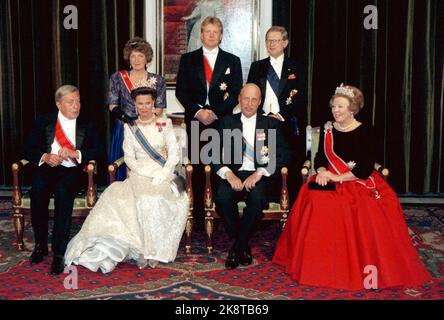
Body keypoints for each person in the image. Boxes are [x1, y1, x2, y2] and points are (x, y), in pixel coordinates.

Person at [272, 84, 432, 290]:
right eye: (334, 107)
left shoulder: (366, 130)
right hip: (327, 178)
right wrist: (321, 171)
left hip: (356, 182)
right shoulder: (328, 128)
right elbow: (320, 156)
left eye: (340, 107)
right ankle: (317, 263)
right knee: (312, 197)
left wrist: (336, 177)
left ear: (352, 109)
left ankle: (354, 266)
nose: (335, 111)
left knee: (353, 206)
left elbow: (365, 168)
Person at [65, 86, 189, 273]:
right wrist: (144, 172)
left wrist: (162, 174)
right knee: (129, 198)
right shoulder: (129, 127)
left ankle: (153, 251)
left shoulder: (165, 124)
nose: (145, 107)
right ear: (135, 105)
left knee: (153, 200)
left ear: (153, 103)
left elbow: (174, 154)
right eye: (140, 104)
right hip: (139, 174)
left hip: (164, 174)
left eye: (148, 103)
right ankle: (141, 249)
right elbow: (129, 158)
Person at [213, 84, 291, 270]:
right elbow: (213, 154)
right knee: (222, 199)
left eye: (254, 99)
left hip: (259, 175)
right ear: (239, 99)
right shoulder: (225, 122)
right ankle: (243, 246)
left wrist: (260, 173)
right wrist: (228, 174)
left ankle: (237, 248)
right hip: (233, 173)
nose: (249, 103)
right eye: (245, 99)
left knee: (257, 200)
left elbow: (284, 155)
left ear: (260, 102)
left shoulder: (271, 124)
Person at [25, 85, 100, 275]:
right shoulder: (43, 121)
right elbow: (28, 148)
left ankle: (59, 252)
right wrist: (44, 156)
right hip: (49, 168)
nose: (76, 106)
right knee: (38, 189)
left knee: (63, 192)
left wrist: (76, 153)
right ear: (59, 104)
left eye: (78, 101)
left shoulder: (88, 122)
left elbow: (99, 151)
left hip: (74, 170)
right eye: (70, 102)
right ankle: (41, 245)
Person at [176, 16, 243, 227]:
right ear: (201, 34)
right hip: (196, 120)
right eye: (207, 31)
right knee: (197, 166)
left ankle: (221, 212)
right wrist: (198, 112)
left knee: (221, 164)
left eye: (216, 32)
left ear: (221, 35)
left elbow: (235, 94)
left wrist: (214, 112)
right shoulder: (188, 59)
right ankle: (196, 215)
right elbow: (181, 92)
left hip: (222, 120)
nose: (212, 35)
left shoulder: (232, 61)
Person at [247, 26, 307, 206]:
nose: (271, 44)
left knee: (288, 168)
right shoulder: (257, 67)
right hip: (262, 124)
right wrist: (263, 117)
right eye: (268, 40)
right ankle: (264, 205)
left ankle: (291, 207)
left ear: (285, 43)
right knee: (264, 163)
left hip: (288, 124)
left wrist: (281, 115)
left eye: (276, 40)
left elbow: (302, 97)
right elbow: (250, 93)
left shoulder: (298, 67)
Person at [108, 37, 167, 181]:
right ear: (128, 58)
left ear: (147, 58)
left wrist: (142, 122)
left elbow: (159, 108)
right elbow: (112, 105)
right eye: (133, 56)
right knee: (122, 172)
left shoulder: (158, 80)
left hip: (148, 129)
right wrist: (128, 121)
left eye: (140, 56)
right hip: (123, 128)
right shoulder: (117, 78)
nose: (136, 59)